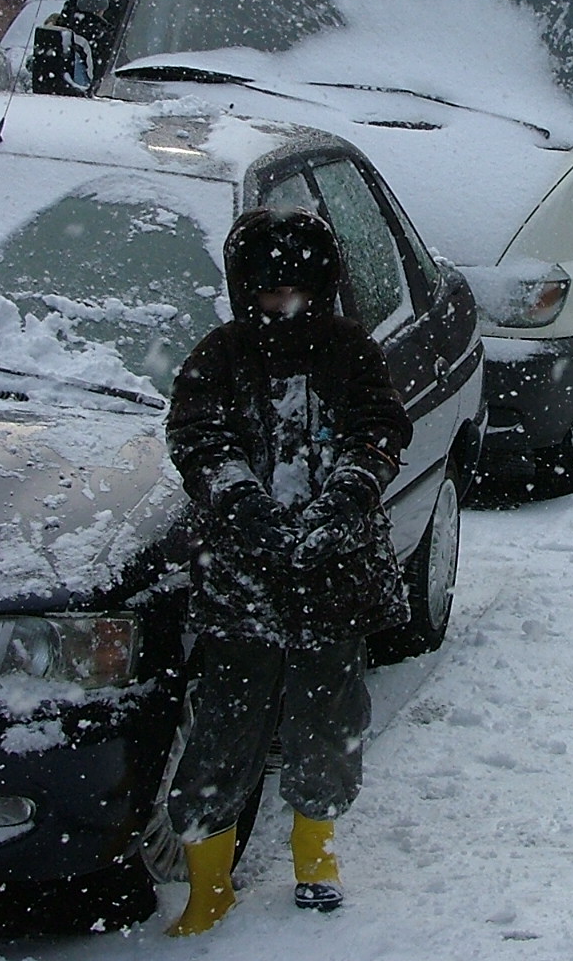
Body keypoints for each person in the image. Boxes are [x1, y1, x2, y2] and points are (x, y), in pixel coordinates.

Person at [163, 206, 413, 934]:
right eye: (271, 295)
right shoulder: (220, 356)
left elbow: (378, 427)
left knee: (327, 724)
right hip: (242, 579)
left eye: (297, 294)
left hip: (333, 578)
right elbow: (197, 435)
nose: (285, 308)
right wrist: (239, 500)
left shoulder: (350, 352)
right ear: (247, 292)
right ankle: (209, 881)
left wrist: (350, 493)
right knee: (225, 728)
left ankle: (317, 852)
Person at [51, 0, 128, 83]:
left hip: (99, 66)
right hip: (73, 61)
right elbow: (66, 19)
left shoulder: (118, 0)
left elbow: (116, 35)